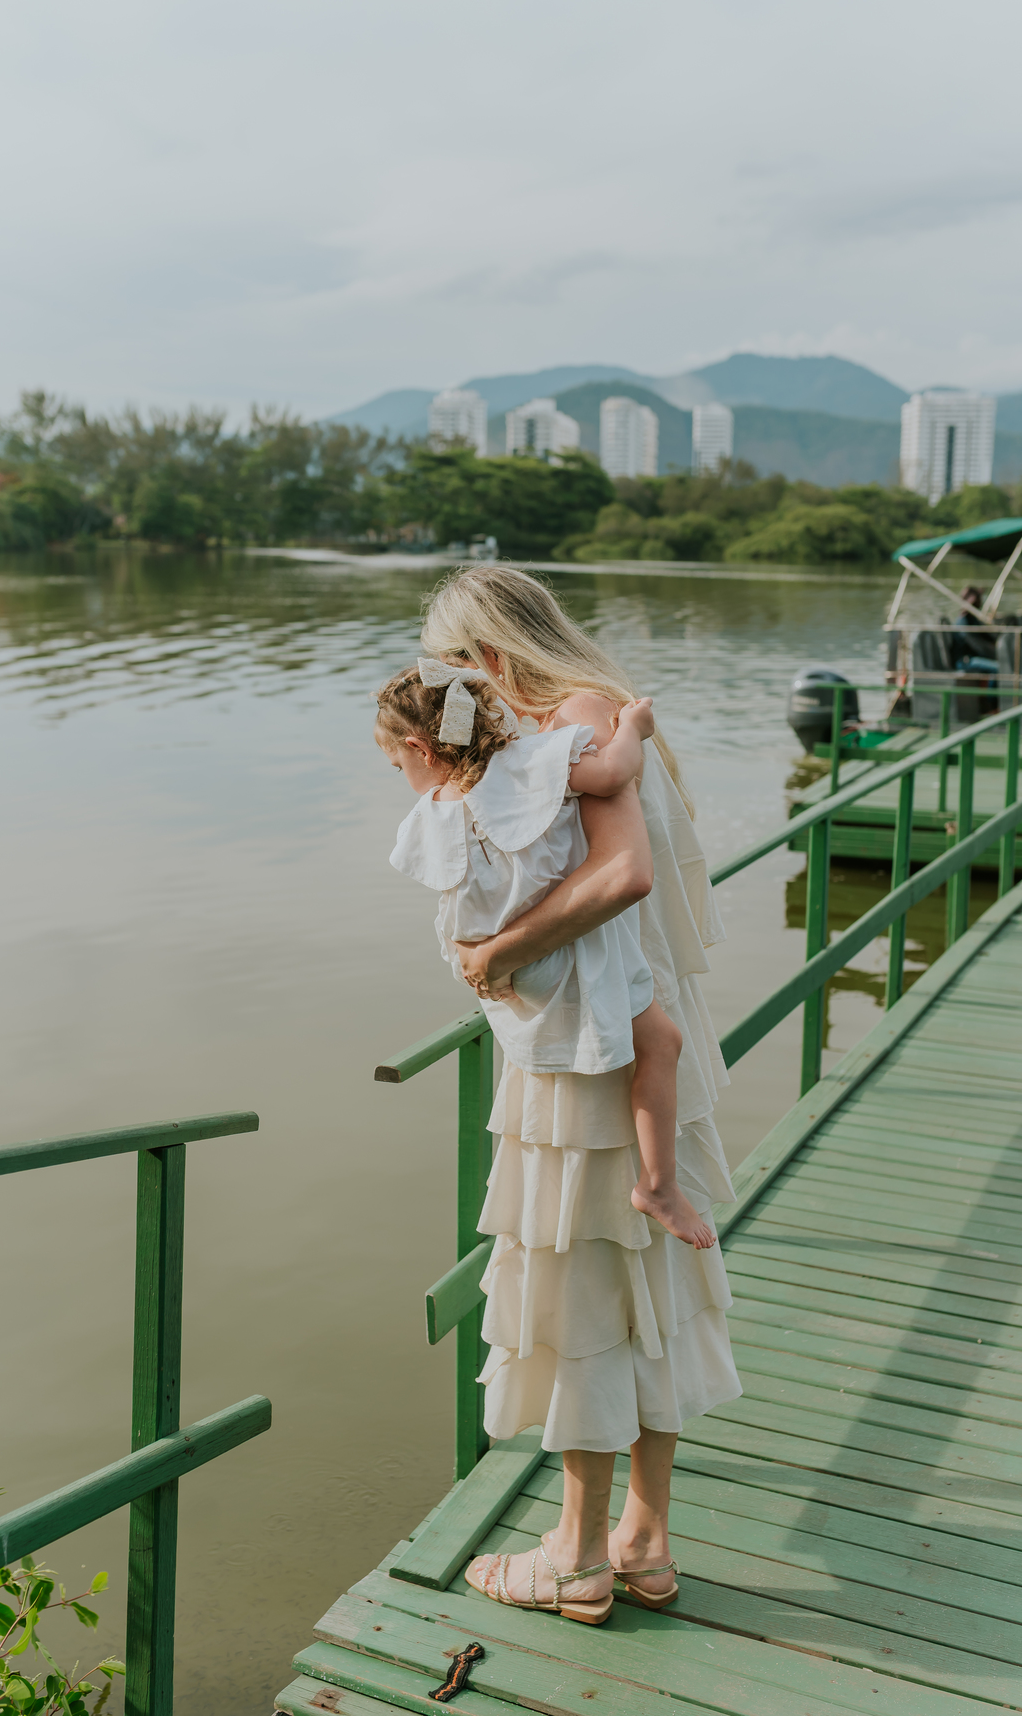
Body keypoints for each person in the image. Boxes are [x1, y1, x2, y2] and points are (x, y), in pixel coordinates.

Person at [409, 565, 741, 1624]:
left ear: (490, 655)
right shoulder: (590, 724)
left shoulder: (578, 718)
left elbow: (626, 875)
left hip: (589, 1059)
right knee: (643, 1293)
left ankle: (577, 1556)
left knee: (585, 1294)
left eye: (457, 667)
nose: (457, 690)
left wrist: (498, 951)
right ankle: (642, 1538)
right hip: (632, 1047)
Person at [376, 660, 714, 1250]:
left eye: (398, 765)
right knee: (663, 1043)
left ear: (418, 748)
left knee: (633, 1047)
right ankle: (658, 1186)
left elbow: (451, 901)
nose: (404, 777)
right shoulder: (529, 765)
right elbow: (613, 773)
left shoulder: (432, 813)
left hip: (505, 968)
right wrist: (634, 725)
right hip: (567, 950)